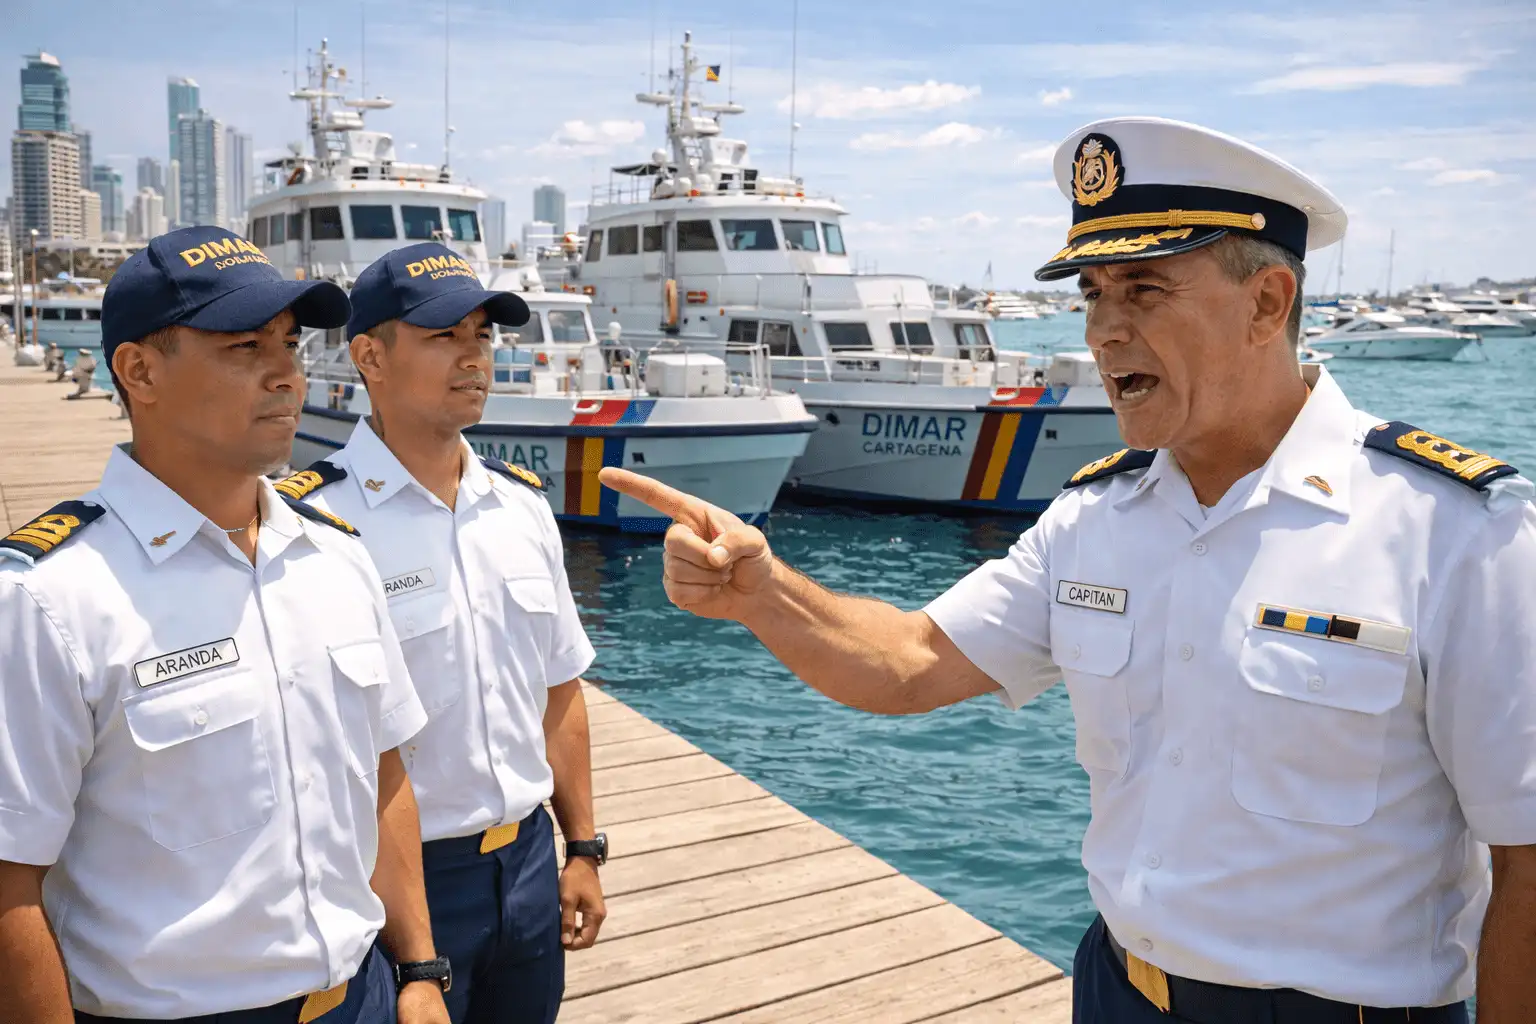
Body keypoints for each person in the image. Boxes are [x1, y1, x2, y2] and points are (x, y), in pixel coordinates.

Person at [599, 117, 1536, 1024]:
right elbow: (914, 660)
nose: (1102, 331)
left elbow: (1526, 858)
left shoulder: (1454, 531)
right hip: (1116, 992)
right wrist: (766, 593)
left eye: (1143, 290)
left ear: (1267, 302)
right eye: (1092, 294)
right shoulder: (1096, 517)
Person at [0, 226, 452, 1024]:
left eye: (289, 342)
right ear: (139, 370)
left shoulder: (337, 558)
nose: (287, 372)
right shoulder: (51, 599)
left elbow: (382, 774)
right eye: (245, 347)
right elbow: (9, 881)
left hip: (364, 996)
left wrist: (418, 968)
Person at [284, 241, 605, 1024]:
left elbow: (559, 689)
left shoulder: (522, 507)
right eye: (442, 337)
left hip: (527, 864)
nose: (474, 358)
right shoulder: (311, 528)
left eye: (482, 337)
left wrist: (583, 848)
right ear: (370, 356)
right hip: (397, 881)